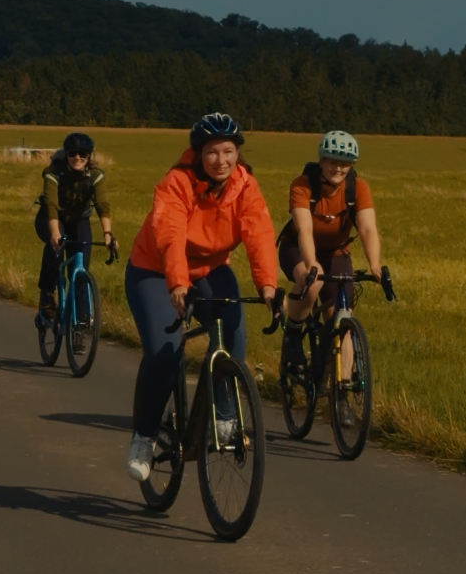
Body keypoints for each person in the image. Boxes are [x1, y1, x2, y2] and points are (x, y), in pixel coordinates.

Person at [124, 113, 278, 483]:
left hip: (209, 269)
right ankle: (144, 436)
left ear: (237, 154)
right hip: (155, 270)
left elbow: (258, 234)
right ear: (198, 154)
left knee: (234, 328)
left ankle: (223, 417)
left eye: (228, 152)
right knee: (166, 349)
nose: (221, 160)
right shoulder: (176, 183)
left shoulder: (245, 186)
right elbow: (170, 234)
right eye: (212, 152)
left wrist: (268, 287)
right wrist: (176, 283)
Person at [277, 130, 382, 365]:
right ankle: (293, 335)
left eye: (344, 164)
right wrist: (311, 263)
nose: (338, 169)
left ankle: (341, 393)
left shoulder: (358, 188)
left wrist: (374, 264)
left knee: (341, 317)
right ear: (321, 161)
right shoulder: (302, 186)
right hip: (297, 247)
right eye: (332, 162)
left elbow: (367, 229)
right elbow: (304, 230)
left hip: (336, 251)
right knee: (312, 283)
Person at [35, 132, 117, 332]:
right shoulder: (54, 172)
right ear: (66, 154)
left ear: (89, 155)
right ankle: (46, 300)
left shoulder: (95, 175)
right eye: (73, 153)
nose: (78, 158)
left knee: (80, 267)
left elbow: (102, 205)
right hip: (51, 217)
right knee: (55, 249)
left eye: (83, 154)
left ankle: (80, 319)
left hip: (79, 220)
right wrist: (54, 233)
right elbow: (51, 205)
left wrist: (108, 234)